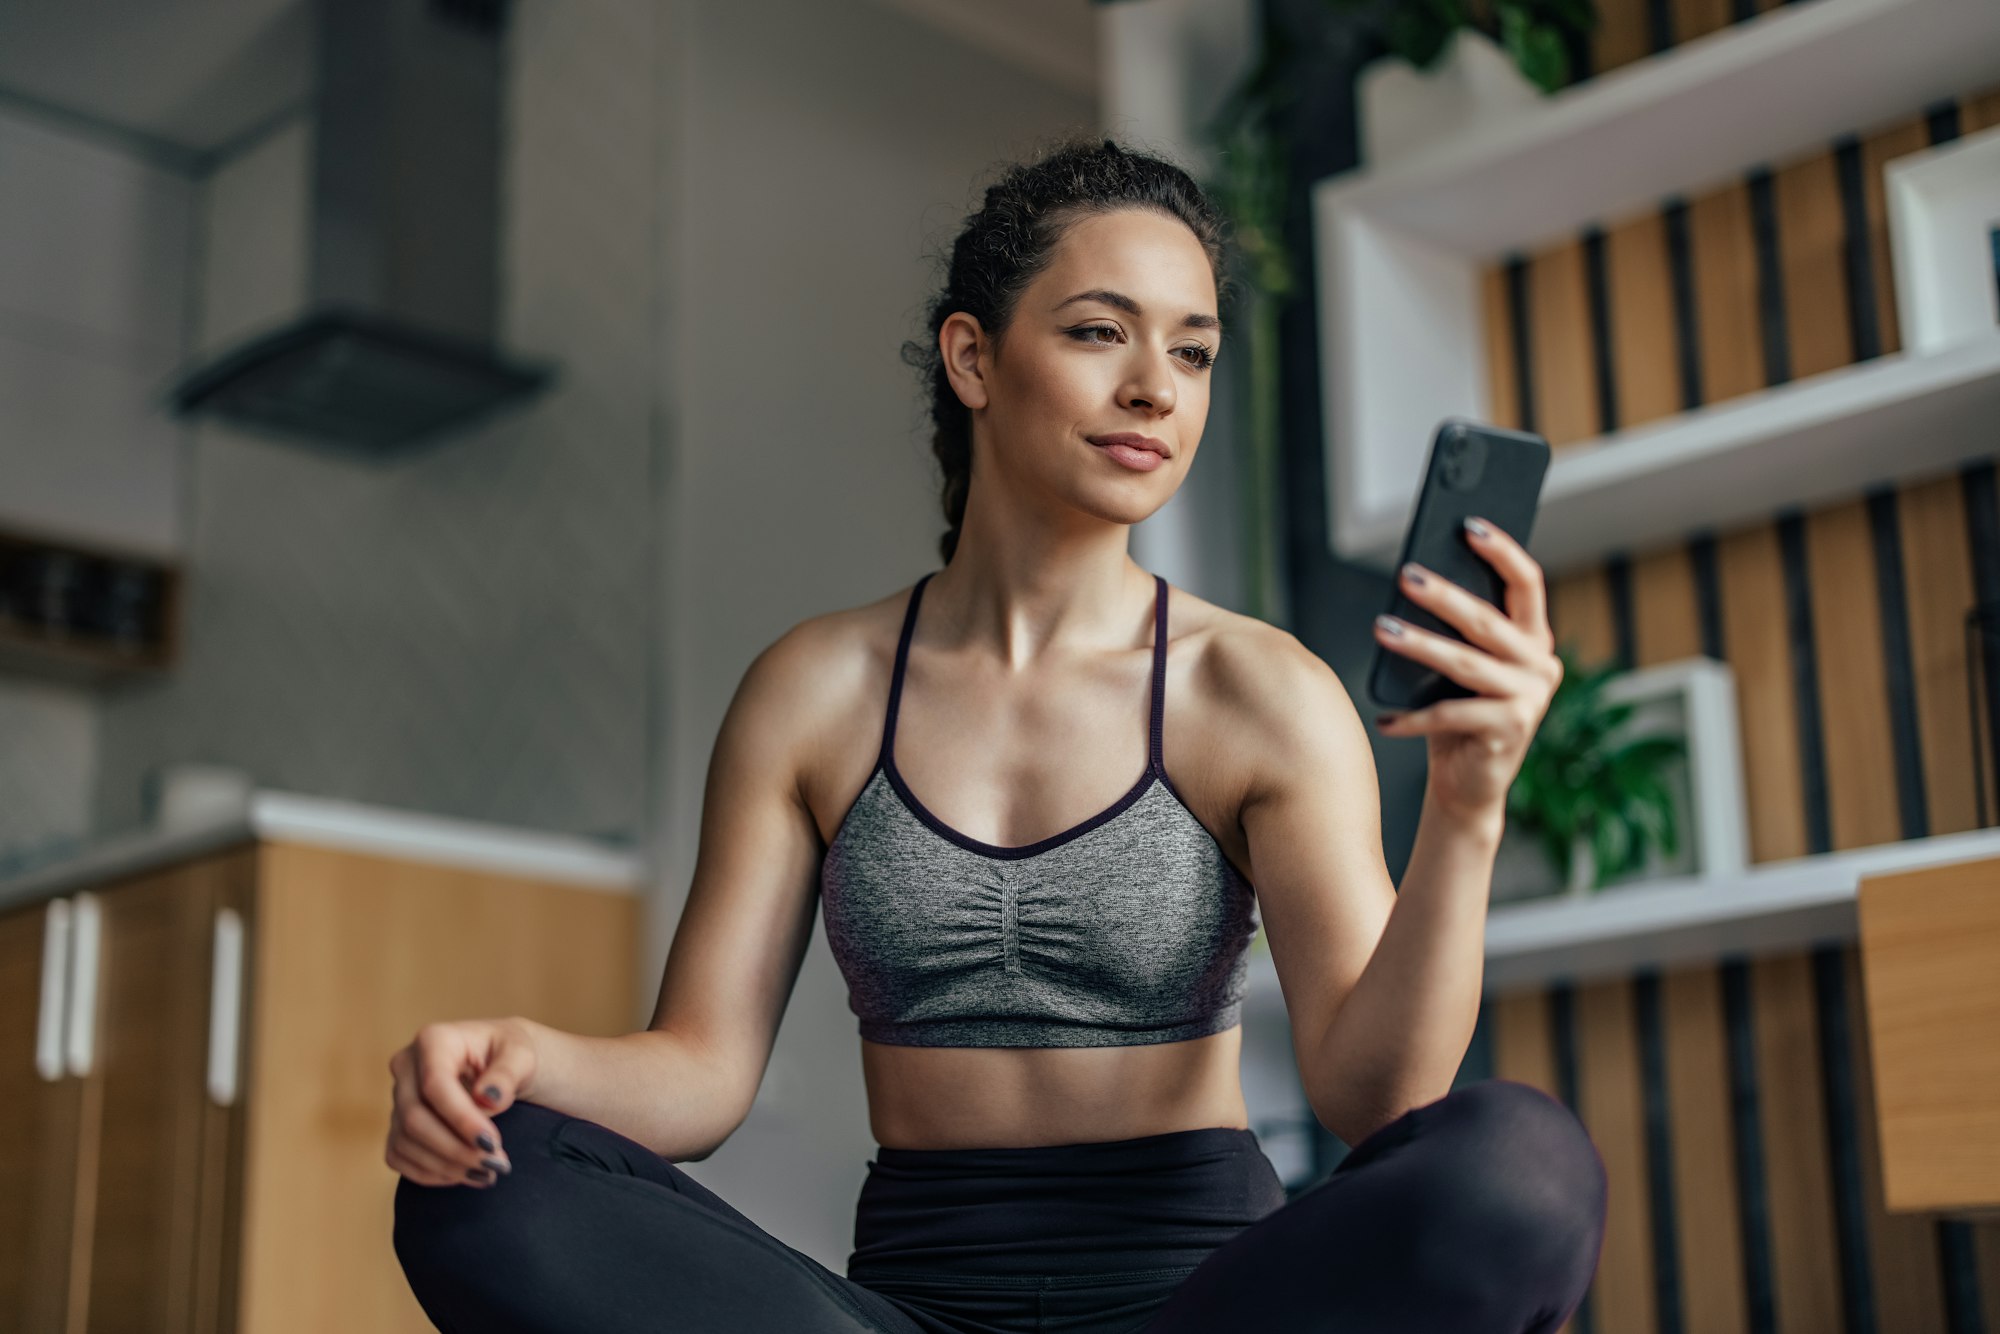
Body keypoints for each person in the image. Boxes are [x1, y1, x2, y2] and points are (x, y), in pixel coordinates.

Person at [387, 132, 1607, 1334]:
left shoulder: (1254, 689)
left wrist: (1466, 802)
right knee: (482, 1185)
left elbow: (1377, 1092)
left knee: (1521, 1165)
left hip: (1199, 1303)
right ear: (971, 358)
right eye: (1097, 331)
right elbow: (700, 1073)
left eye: (1192, 350)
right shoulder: (814, 690)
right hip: (910, 1306)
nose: (1155, 387)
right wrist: (513, 1060)